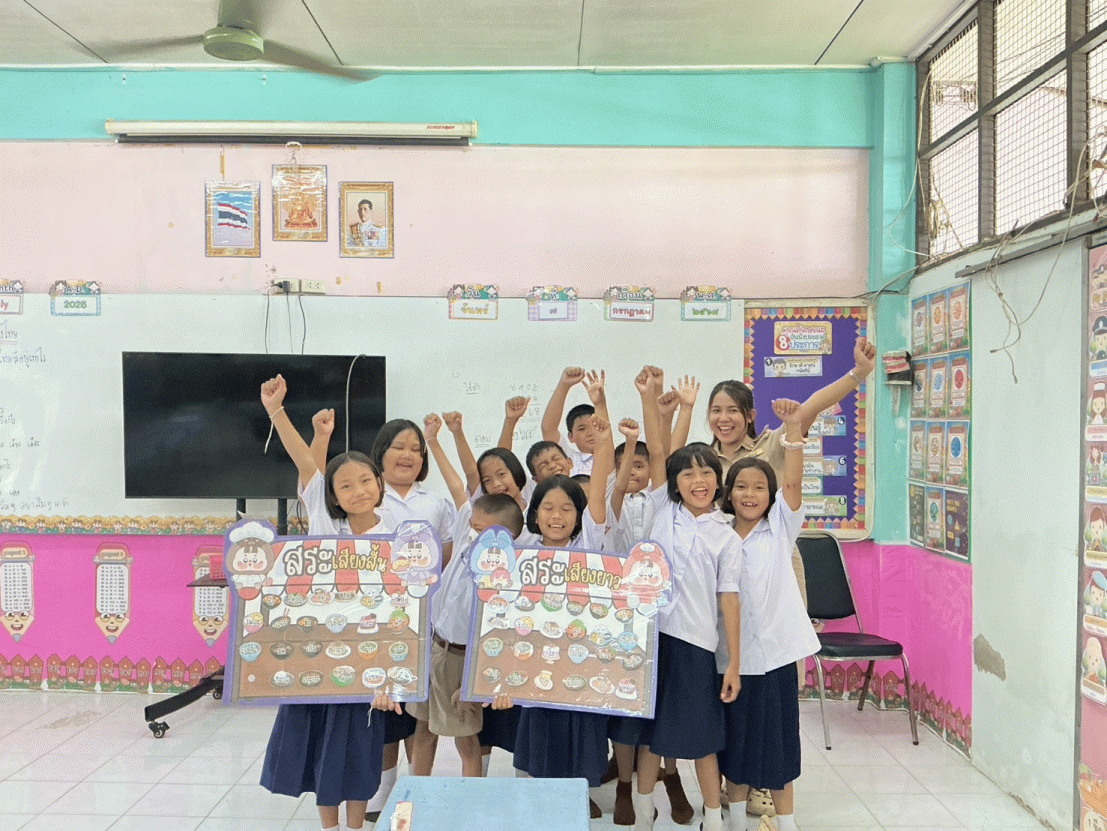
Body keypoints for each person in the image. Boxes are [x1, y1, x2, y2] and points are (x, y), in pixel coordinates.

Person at [256, 374, 387, 831]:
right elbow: (306, 463)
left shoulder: (398, 537)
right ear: (331, 496)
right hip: (317, 655)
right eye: (345, 486)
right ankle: (329, 826)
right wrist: (278, 412)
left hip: (369, 659)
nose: (358, 491)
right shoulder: (326, 525)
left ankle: (355, 826)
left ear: (379, 483)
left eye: (366, 481)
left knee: (360, 749)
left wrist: (393, 674)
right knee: (319, 745)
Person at [311, 416, 456, 819]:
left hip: (415, 624)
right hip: (361, 634)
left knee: (416, 714)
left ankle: (416, 792)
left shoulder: (434, 503)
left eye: (416, 448)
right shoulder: (363, 506)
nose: (408, 454)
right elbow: (312, 480)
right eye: (399, 446)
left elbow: (441, 557)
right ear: (381, 456)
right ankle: (381, 788)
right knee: (380, 719)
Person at [632, 369, 742, 831]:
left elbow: (729, 600)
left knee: (702, 739)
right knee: (651, 737)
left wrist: (733, 663)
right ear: (674, 483)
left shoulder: (726, 535)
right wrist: (652, 398)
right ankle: (643, 814)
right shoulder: (664, 510)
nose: (698, 480)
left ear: (718, 481)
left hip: (698, 646)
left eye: (707, 472)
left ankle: (713, 818)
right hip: (653, 641)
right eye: (689, 473)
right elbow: (659, 451)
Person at [506, 413, 617, 819]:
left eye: (567, 508)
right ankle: (540, 805)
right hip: (535, 668)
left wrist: (603, 444)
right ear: (534, 514)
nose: (556, 516)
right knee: (539, 741)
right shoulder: (522, 552)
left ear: (579, 515)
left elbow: (599, 494)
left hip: (582, 665)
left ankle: (574, 800)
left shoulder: (588, 545)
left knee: (581, 741)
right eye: (548, 508)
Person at [716, 399, 819, 831]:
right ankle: (737, 822)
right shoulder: (717, 535)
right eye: (741, 487)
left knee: (779, 749)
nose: (750, 494)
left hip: (775, 657)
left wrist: (793, 431)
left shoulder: (780, 528)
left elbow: (793, 482)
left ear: (771, 495)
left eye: (759, 487)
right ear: (728, 494)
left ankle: (787, 823)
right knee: (736, 748)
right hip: (730, 661)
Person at [407, 412, 527, 778]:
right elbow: (460, 483)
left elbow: (497, 632)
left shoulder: (503, 573)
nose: (475, 534)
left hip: (463, 659)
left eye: (484, 531)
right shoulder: (466, 533)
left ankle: (472, 801)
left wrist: (476, 679)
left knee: (466, 741)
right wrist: (435, 440)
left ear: (506, 537)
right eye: (473, 526)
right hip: (435, 647)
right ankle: (416, 794)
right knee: (422, 730)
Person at [540, 367, 611, 476]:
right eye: (582, 429)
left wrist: (600, 404)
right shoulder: (570, 460)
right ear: (571, 437)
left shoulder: (616, 458)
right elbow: (548, 429)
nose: (590, 433)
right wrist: (564, 385)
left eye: (594, 426)